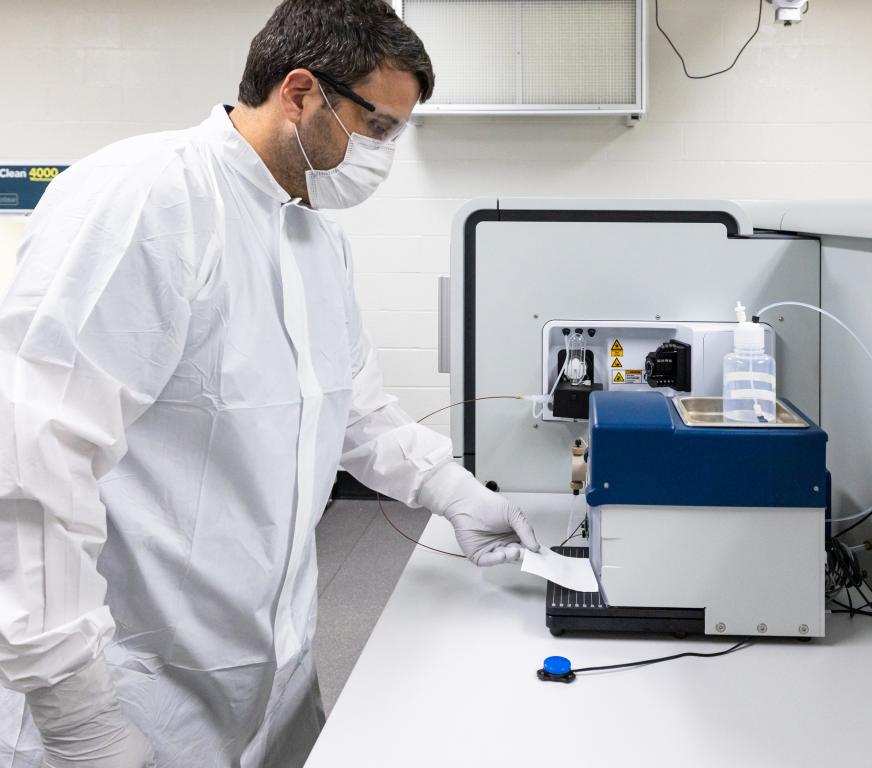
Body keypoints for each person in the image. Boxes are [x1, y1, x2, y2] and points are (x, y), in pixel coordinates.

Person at [0, 1, 539, 765]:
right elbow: (33, 464)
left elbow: (356, 412)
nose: (384, 151)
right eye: (378, 125)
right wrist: (78, 718)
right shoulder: (146, 199)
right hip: (125, 696)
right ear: (298, 92)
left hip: (265, 679)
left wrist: (452, 491)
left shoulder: (312, 236)